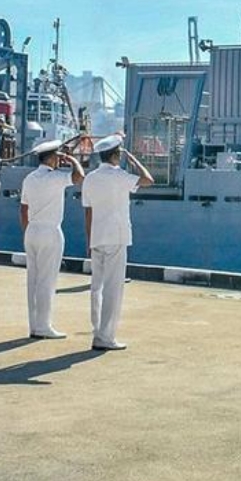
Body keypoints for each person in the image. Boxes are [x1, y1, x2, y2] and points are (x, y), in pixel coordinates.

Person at [82, 134, 154, 351]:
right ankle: (106, 337)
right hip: (116, 237)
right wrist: (134, 160)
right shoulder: (120, 176)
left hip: (97, 237)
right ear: (116, 155)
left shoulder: (90, 178)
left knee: (97, 287)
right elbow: (148, 180)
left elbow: (88, 213)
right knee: (113, 288)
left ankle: (98, 331)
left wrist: (89, 240)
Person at [20, 138, 84, 339]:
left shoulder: (29, 178)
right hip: (49, 231)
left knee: (33, 280)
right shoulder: (55, 178)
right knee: (47, 281)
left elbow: (23, 208)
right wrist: (73, 160)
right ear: (53, 157)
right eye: (57, 156)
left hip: (31, 231)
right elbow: (79, 177)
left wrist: (27, 233)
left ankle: (34, 326)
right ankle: (44, 326)